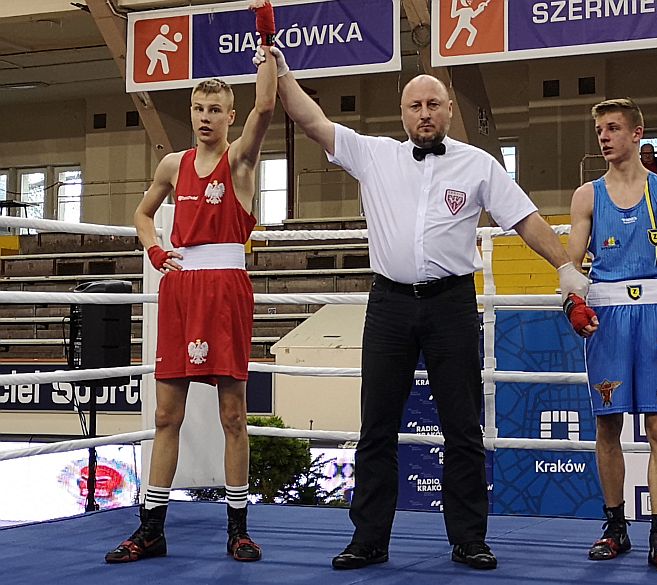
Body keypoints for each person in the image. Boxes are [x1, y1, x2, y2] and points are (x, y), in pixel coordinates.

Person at [268, 51, 597, 570]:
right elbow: (310, 119)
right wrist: (280, 71)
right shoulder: (372, 153)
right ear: (403, 114)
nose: (424, 113)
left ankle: (469, 539)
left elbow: (525, 219)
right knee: (376, 426)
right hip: (389, 304)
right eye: (415, 105)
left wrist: (565, 268)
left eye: (433, 104)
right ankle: (368, 540)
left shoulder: (477, 163)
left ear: (447, 111)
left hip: (451, 304)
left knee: (462, 427)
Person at [104, 0, 278, 564]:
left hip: (226, 289)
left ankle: (238, 528)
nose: (205, 116)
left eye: (216, 110)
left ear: (230, 116)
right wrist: (154, 248)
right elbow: (141, 214)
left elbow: (267, 107)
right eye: (199, 107)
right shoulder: (172, 165)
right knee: (165, 415)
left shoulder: (242, 164)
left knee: (233, 415)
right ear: (192, 110)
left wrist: (266, 51)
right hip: (181, 290)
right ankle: (151, 529)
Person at [567, 98, 657, 575]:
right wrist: (572, 304)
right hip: (607, 316)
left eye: (613, 128)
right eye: (600, 129)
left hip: (656, 312)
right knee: (607, 425)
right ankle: (615, 527)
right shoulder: (587, 196)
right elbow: (570, 266)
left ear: (637, 133)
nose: (603, 136)